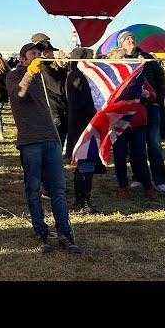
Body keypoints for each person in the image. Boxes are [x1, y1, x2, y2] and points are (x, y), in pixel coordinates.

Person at [6, 41, 81, 254]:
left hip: (51, 138)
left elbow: (60, 92)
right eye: (33, 53)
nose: (38, 56)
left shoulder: (44, 75)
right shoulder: (14, 75)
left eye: (40, 53)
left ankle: (64, 231)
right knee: (33, 188)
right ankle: (41, 230)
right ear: (23, 58)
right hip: (30, 140)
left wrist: (64, 67)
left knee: (57, 189)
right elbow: (18, 95)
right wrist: (29, 73)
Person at [120, 31, 165, 195]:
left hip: (151, 106)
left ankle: (160, 181)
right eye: (126, 38)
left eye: (132, 37)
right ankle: (138, 178)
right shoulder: (119, 61)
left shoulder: (148, 57)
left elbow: (161, 79)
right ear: (121, 43)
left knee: (154, 144)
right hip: (133, 109)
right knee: (137, 147)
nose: (130, 39)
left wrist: (157, 98)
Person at [105, 48, 159, 202]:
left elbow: (153, 95)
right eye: (120, 57)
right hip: (118, 123)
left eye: (125, 56)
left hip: (137, 123)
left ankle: (148, 187)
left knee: (140, 156)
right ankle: (123, 186)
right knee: (120, 157)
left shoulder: (138, 75)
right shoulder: (110, 78)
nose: (124, 59)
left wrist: (146, 94)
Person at [65, 47, 100, 214]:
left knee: (87, 163)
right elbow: (81, 102)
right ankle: (82, 200)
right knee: (85, 163)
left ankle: (83, 199)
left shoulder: (78, 75)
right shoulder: (78, 76)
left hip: (86, 125)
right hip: (83, 126)